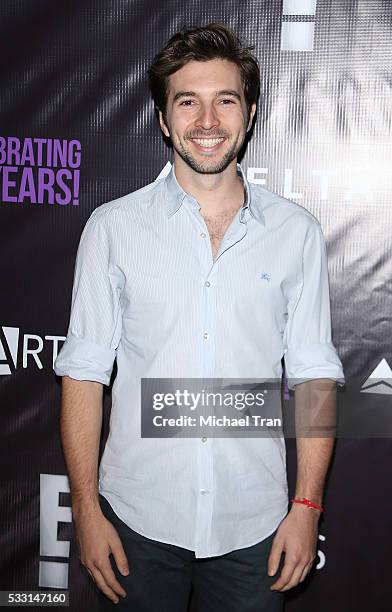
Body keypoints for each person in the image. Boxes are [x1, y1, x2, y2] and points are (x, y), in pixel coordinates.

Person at [54, 23, 345, 612]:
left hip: (255, 526)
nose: (207, 121)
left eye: (225, 100)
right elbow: (84, 374)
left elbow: (315, 378)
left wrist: (307, 507)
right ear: (164, 119)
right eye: (187, 102)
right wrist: (86, 511)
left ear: (251, 112)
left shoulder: (297, 234)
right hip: (136, 522)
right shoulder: (113, 229)